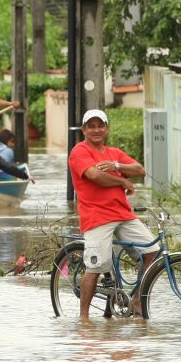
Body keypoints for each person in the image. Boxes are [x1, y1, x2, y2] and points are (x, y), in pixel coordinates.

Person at [68, 109, 159, 320]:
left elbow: (139, 170)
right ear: (84, 130)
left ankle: (137, 299)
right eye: (91, 126)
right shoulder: (79, 151)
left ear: (107, 129)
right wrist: (122, 180)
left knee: (152, 252)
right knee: (96, 266)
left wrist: (117, 166)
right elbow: (94, 175)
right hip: (96, 217)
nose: (96, 130)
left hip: (123, 214)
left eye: (100, 125)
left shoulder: (113, 153)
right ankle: (84, 320)